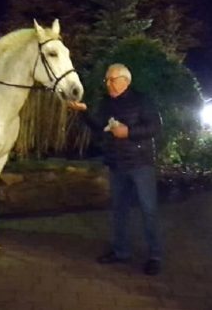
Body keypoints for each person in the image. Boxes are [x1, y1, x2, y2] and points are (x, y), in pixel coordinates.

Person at [68, 63, 163, 276]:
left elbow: (155, 127)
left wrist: (128, 132)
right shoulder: (106, 103)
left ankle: (154, 255)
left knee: (149, 211)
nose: (108, 83)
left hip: (140, 164)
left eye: (112, 79)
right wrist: (84, 112)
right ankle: (121, 251)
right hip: (117, 164)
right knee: (119, 211)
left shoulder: (142, 99)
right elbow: (98, 126)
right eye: (106, 80)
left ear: (125, 80)